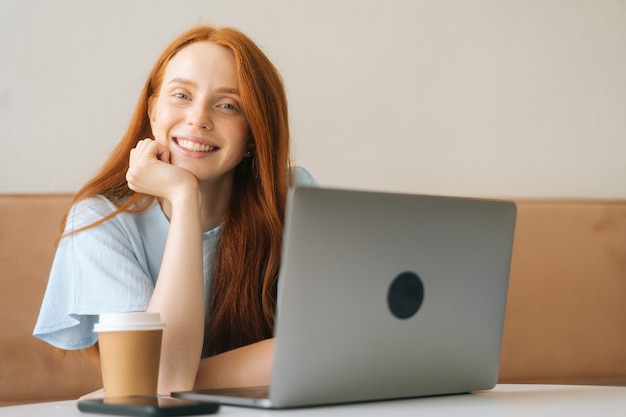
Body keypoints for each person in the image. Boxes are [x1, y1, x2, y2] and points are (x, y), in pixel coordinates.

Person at [33, 24, 317, 396]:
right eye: (182, 95)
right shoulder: (99, 222)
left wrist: (189, 379)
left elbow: (330, 344)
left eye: (228, 105)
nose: (198, 118)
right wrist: (185, 199)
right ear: (153, 111)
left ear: (253, 133)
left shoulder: (293, 198)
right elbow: (163, 379)